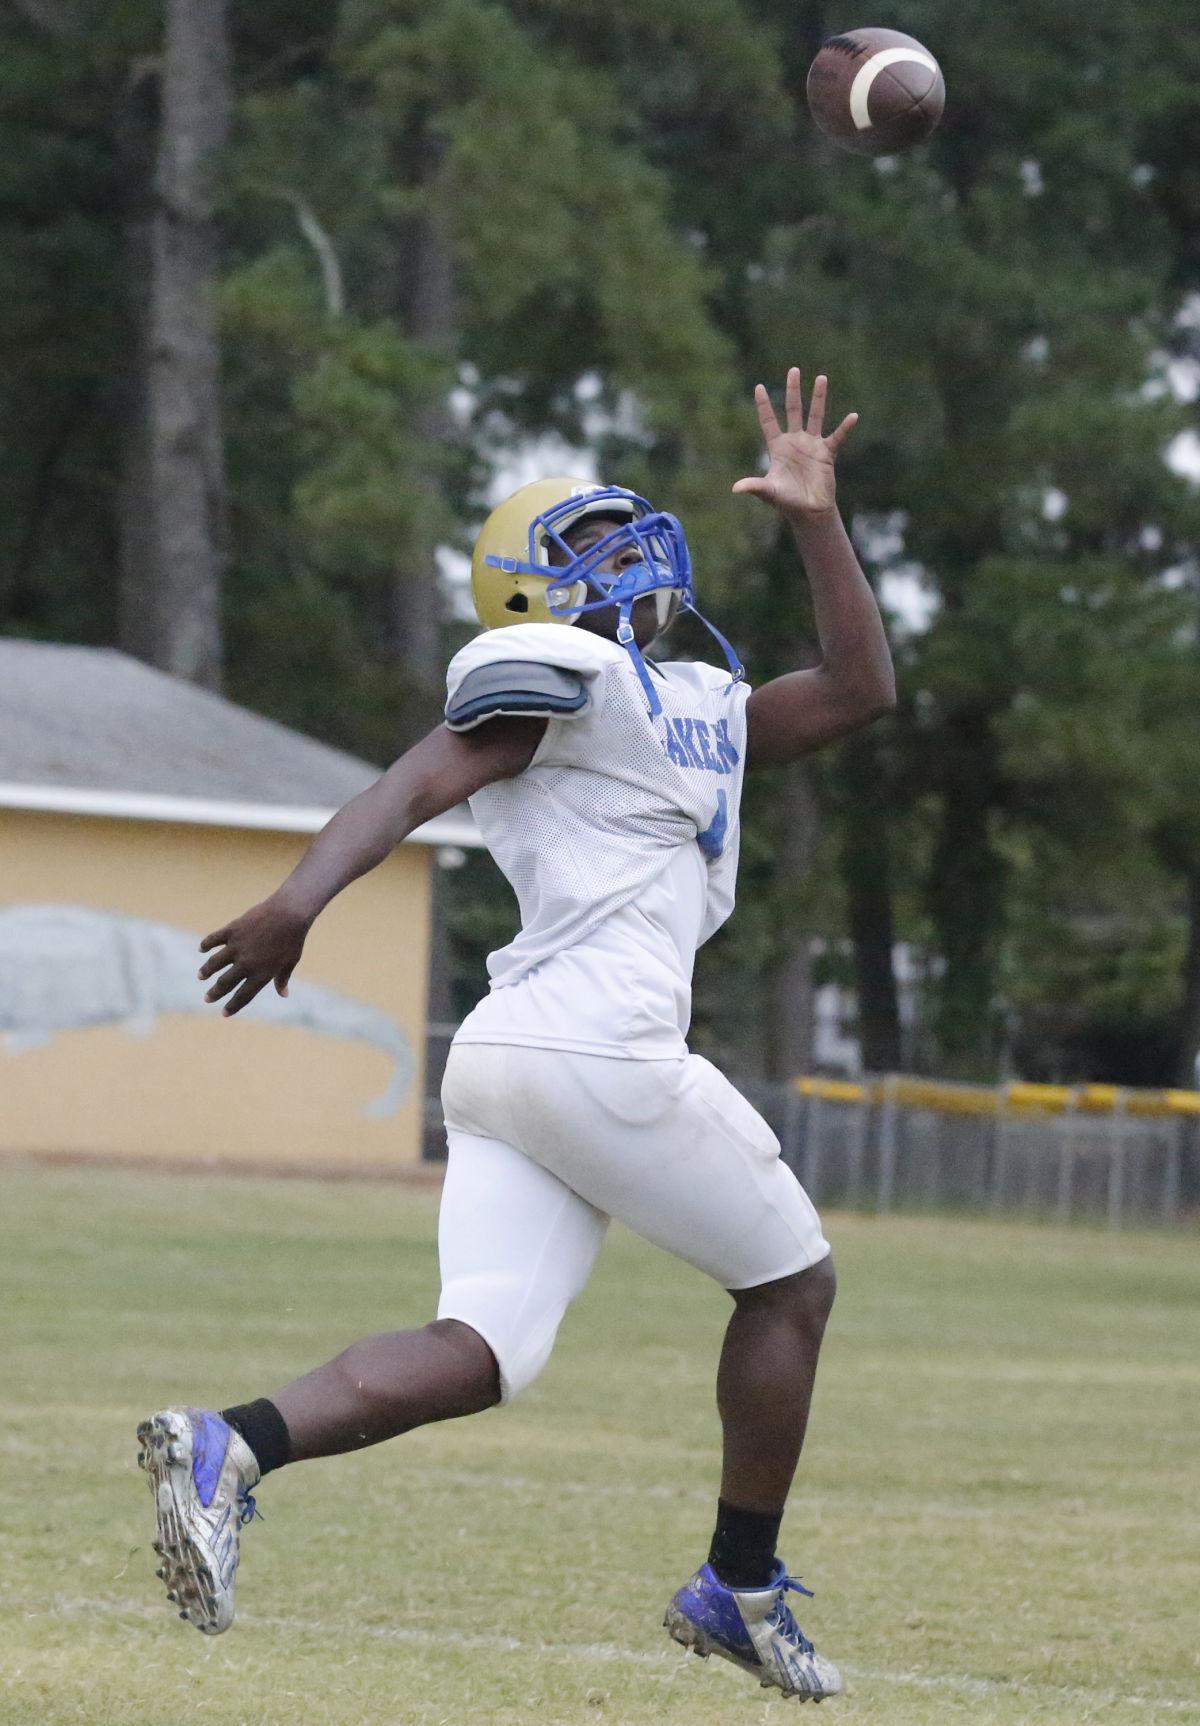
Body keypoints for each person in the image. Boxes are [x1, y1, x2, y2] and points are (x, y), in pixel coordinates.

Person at [136, 368, 895, 1702]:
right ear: (531, 591)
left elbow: (857, 687)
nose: (627, 556)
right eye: (589, 549)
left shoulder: (696, 705)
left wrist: (815, 520)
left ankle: (227, 1444)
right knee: (792, 1283)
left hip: (509, 1059)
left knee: (481, 1347)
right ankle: (741, 1581)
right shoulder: (573, 669)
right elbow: (420, 775)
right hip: (596, 1043)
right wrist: (298, 902)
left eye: (623, 534)